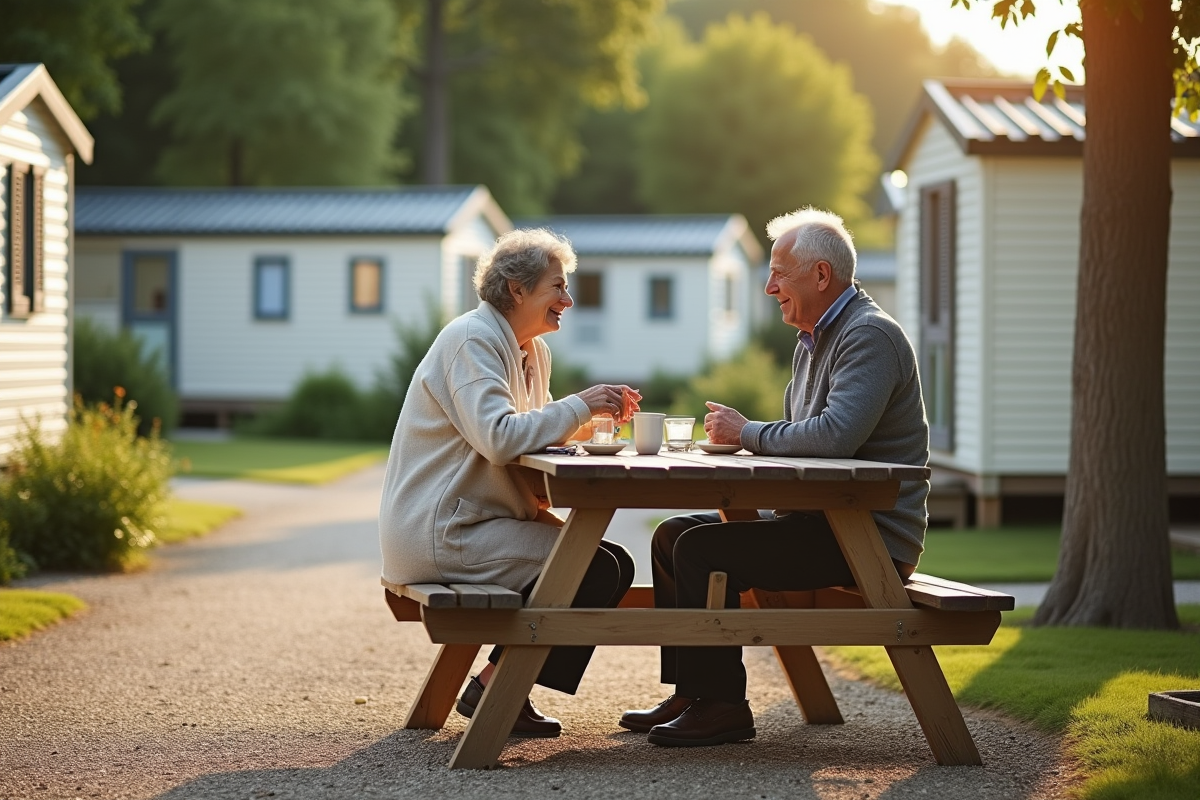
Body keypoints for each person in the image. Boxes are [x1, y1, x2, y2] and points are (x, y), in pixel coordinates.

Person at [620, 207, 930, 747]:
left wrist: (747, 433)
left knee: (700, 549)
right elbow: (804, 434)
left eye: (778, 273)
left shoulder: (869, 336)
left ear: (820, 276)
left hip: (867, 538)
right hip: (822, 521)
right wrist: (746, 439)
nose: (768, 287)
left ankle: (724, 707)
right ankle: (695, 691)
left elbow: (832, 437)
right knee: (674, 535)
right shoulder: (815, 339)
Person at [379, 228, 640, 738]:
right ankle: (501, 689)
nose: (568, 300)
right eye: (557, 287)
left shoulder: (530, 351)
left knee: (609, 564)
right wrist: (580, 405)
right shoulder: (472, 340)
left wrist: (586, 424)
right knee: (591, 568)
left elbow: (525, 439)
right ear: (517, 289)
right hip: (446, 531)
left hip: (480, 521)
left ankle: (502, 686)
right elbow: (500, 438)